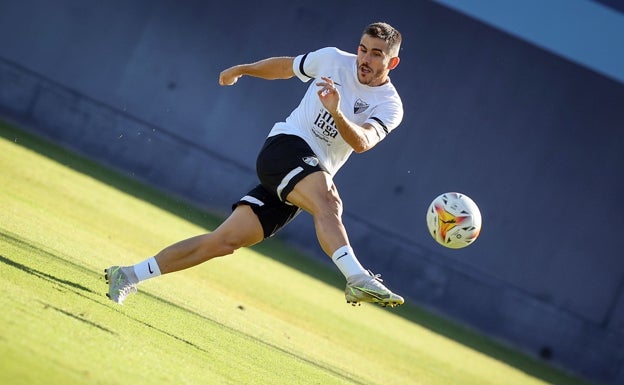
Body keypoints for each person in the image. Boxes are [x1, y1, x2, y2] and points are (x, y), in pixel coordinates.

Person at [105, 22, 405, 308]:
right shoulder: (332, 60)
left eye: (376, 54)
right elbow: (286, 67)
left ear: (392, 63)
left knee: (222, 242)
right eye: (363, 49)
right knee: (328, 202)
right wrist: (243, 69)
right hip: (285, 148)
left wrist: (337, 112)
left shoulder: (390, 105)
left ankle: (128, 275)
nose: (364, 59)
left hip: (308, 174)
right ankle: (357, 277)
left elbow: (362, 143)